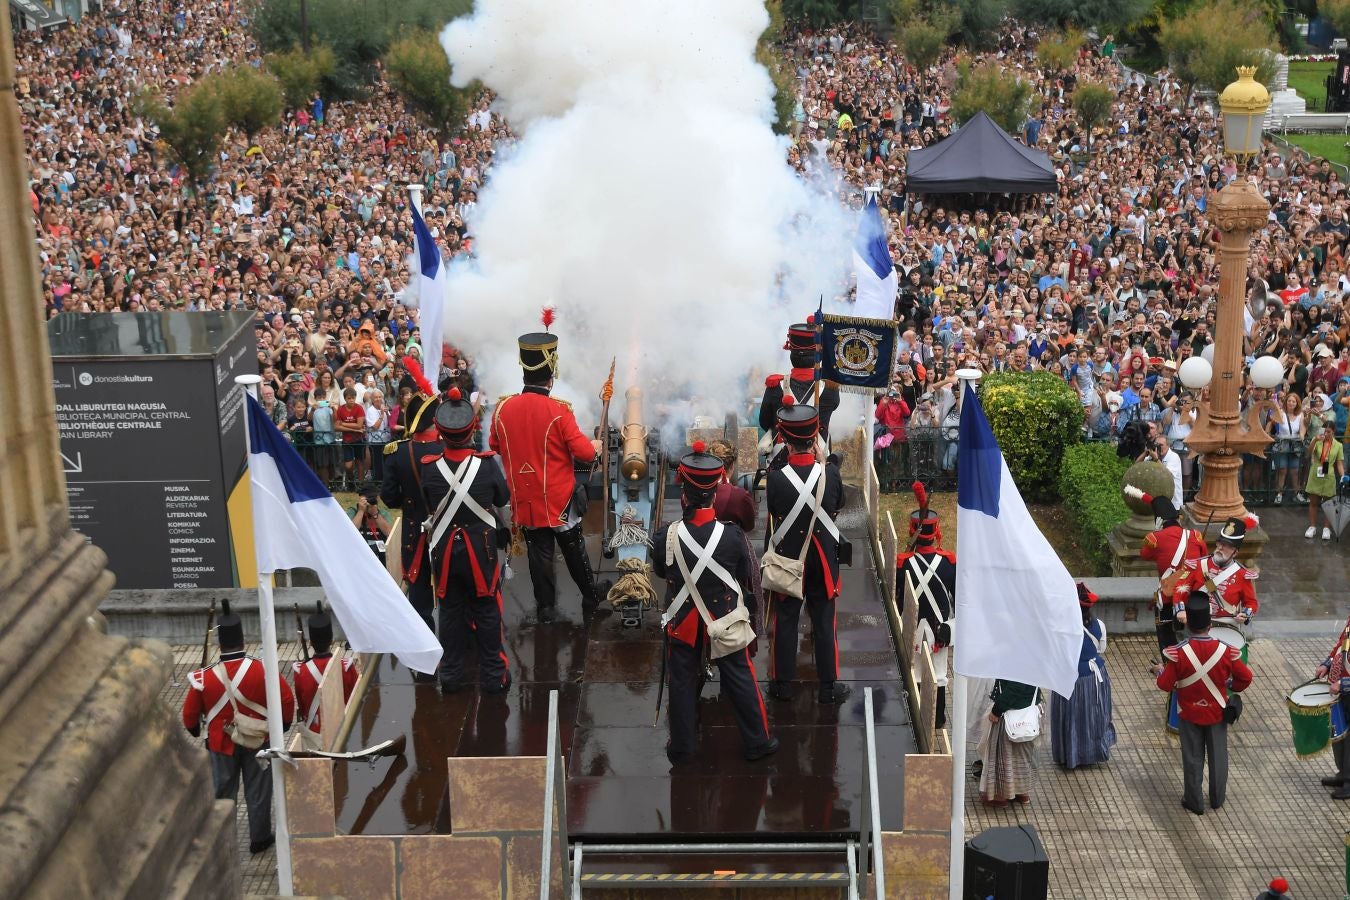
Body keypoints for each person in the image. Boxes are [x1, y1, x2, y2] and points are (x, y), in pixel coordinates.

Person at [654, 442, 777, 764]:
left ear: (684, 491)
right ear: (714, 490)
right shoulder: (733, 536)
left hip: (683, 620)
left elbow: (660, 569)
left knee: (681, 681)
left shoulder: (665, 535)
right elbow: (739, 574)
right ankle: (757, 742)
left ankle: (682, 747)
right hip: (723, 616)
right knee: (739, 675)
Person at [489, 329, 604, 623]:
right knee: (573, 546)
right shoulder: (559, 410)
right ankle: (590, 596)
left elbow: (494, 445)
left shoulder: (502, 409)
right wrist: (596, 445)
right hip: (558, 496)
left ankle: (546, 607)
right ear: (551, 374)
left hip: (524, 496)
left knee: (539, 551)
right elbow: (585, 454)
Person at [181, 602, 295, 854]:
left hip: (221, 744)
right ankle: (260, 838)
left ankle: (225, 841)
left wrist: (194, 730)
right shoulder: (261, 668)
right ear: (243, 639)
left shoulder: (204, 677)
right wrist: (283, 724)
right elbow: (286, 699)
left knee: (223, 793)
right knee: (259, 792)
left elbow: (189, 715)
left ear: (220, 643)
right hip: (257, 739)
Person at [421, 388, 513, 693]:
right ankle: (493, 676)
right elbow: (503, 496)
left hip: (446, 551)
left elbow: (428, 504)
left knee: (449, 612)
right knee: (487, 612)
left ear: (442, 432)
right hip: (480, 550)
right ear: (471, 429)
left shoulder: (429, 468)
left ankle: (451, 676)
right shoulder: (486, 465)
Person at [764, 398, 848, 704]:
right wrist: (825, 466)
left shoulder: (775, 479)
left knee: (785, 621)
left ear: (784, 440)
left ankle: (782, 686)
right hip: (824, 560)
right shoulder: (832, 474)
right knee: (825, 622)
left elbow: (775, 512)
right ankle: (828, 687)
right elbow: (838, 505)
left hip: (790, 559)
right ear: (814, 439)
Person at [1153, 594, 1253, 814]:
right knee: (1219, 757)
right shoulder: (1227, 651)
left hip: (1189, 712)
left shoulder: (1178, 653)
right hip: (1217, 711)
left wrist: (1160, 671)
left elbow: (1165, 685)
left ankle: (1194, 801)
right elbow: (1245, 678)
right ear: (1210, 624)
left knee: (1192, 757)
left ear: (1188, 624)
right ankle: (1217, 799)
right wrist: (1229, 684)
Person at [379, 360, 443, 661]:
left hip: (414, 529)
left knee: (419, 593)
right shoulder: (448, 449)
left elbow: (389, 499)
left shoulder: (397, 452)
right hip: (447, 529)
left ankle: (425, 647)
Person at [895, 481, 955, 726]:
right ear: (935, 531)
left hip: (915, 628)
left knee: (915, 674)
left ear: (913, 530)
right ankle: (938, 719)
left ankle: (917, 717)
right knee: (939, 675)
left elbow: (899, 597)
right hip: (941, 629)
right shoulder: (949, 562)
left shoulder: (903, 563)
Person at [1051, 583, 1117, 769]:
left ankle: (1069, 755)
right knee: (1092, 715)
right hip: (1093, 676)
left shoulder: (1061, 627)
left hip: (1068, 677)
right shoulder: (1099, 625)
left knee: (1069, 717)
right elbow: (1101, 649)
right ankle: (1091, 752)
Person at [1135, 492, 1208, 655]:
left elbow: (1145, 555)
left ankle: (1169, 660)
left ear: (1159, 520)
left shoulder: (1154, 538)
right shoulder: (1195, 536)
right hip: (1195, 592)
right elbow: (1204, 559)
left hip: (1169, 593)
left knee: (1165, 629)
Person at [758, 321, 840, 462]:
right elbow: (834, 406)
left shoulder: (775, 385)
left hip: (781, 459)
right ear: (817, 355)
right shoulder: (831, 388)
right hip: (818, 457)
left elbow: (764, 422)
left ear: (792, 354)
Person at [291, 605, 359, 749]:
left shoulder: (300, 672)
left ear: (310, 642)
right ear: (332, 639)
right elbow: (356, 702)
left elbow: (303, 708)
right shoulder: (346, 667)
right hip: (343, 734)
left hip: (315, 738)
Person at [1173, 517, 1258, 628]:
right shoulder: (1197, 566)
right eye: (1220, 543)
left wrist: (1245, 615)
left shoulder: (1242, 575)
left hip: (1226, 624)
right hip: (1196, 622)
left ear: (1235, 552)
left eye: (1226, 545)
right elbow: (1180, 588)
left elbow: (1251, 602)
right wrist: (1180, 610)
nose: (1220, 548)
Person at [978, 678, 1042, 806]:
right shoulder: (1035, 659)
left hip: (1009, 715)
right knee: (1023, 757)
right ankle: (1021, 792)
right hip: (1029, 715)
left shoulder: (1016, 660)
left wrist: (997, 710)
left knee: (1003, 756)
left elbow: (1015, 688)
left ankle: (1000, 796)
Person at [1313, 613, 1350, 799]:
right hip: (1341, 690)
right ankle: (1343, 774)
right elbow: (1342, 644)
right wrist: (1327, 664)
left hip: (1345, 687)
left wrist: (1344, 684)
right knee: (1340, 733)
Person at [1304, 411, 1347, 541]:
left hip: (1329, 476)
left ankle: (1326, 528)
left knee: (1329, 504)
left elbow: (1339, 463)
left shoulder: (1338, 445)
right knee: (1313, 502)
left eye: (1329, 431)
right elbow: (1309, 453)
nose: (1326, 434)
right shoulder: (1317, 439)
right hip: (1316, 474)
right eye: (1325, 431)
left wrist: (1343, 475)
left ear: (1333, 432)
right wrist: (1315, 440)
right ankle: (1312, 526)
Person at [708, 438, 755, 533]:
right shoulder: (740, 496)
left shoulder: (692, 489)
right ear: (732, 466)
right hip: (730, 544)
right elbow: (749, 526)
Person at [349, 487, 392, 562]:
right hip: (358, 551)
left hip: (379, 552)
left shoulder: (383, 513)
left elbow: (389, 533)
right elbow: (350, 532)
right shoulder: (353, 511)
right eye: (366, 499)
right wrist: (361, 511)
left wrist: (375, 514)